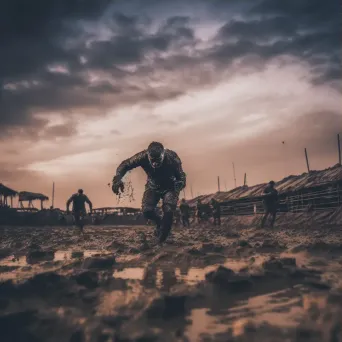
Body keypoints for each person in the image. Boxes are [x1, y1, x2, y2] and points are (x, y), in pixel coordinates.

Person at [111, 141, 186, 244]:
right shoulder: (142, 156)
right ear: (148, 155)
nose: (155, 164)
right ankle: (160, 223)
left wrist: (180, 183)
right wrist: (117, 179)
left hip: (170, 186)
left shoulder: (172, 157)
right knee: (147, 211)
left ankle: (162, 238)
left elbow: (181, 175)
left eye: (158, 160)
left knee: (168, 210)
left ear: (163, 155)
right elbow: (125, 164)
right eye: (152, 160)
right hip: (152, 186)